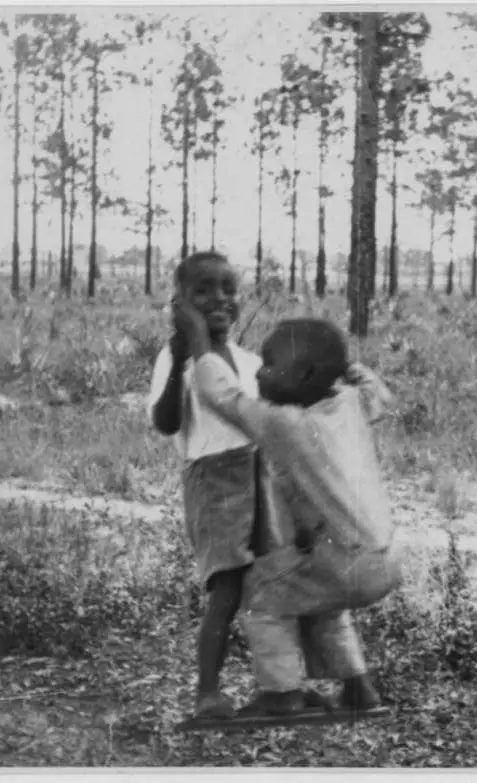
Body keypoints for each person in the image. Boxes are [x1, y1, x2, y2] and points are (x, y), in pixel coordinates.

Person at [178, 307, 402, 717]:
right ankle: (357, 687)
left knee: (262, 592)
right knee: (321, 601)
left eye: (270, 367)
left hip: (343, 558)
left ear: (302, 378)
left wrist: (198, 345)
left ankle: (281, 694)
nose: (259, 374)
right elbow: (377, 392)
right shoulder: (351, 403)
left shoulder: (287, 425)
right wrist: (345, 365)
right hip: (379, 558)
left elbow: (223, 397)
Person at [147, 250, 264, 720]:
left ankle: (279, 687)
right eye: (203, 290)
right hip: (213, 480)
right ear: (180, 302)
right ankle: (207, 692)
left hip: (257, 476)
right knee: (227, 587)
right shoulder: (178, 359)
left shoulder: (249, 361)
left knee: (265, 584)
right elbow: (166, 421)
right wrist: (180, 361)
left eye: (228, 288)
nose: (218, 298)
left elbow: (256, 414)